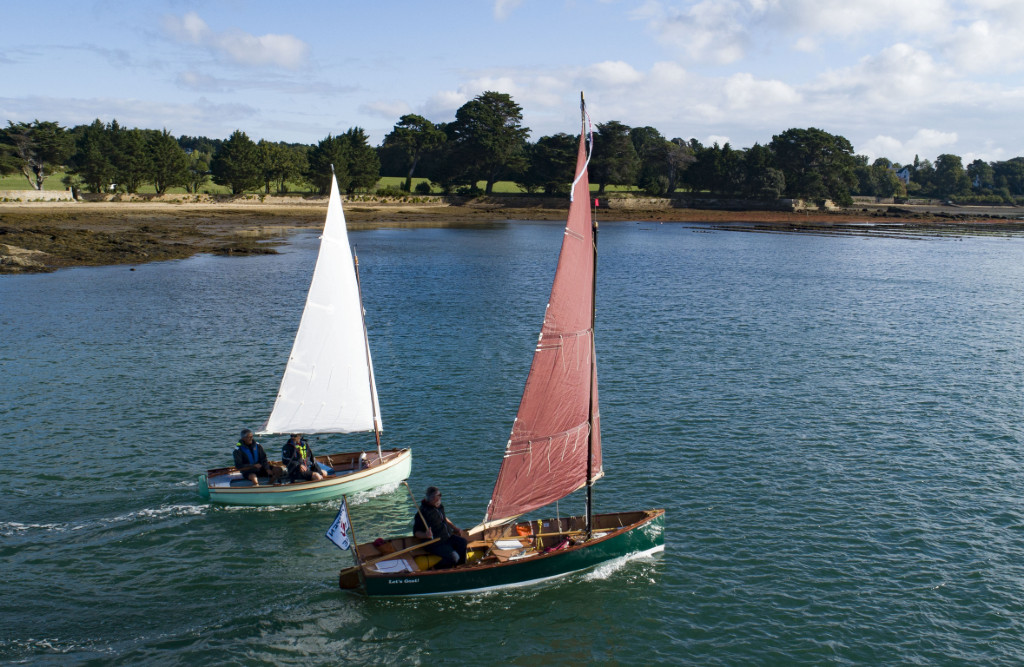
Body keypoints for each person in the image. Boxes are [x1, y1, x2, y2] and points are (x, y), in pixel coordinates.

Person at [413, 486, 467, 569]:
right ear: (431, 498)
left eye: (440, 495)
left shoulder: (439, 506)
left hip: (447, 537)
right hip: (435, 543)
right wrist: (425, 535)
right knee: (454, 557)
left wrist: (455, 528)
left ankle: (459, 567)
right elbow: (416, 532)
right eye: (437, 496)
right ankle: (435, 569)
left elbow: (444, 518)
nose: (439, 498)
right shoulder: (422, 513)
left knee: (463, 542)